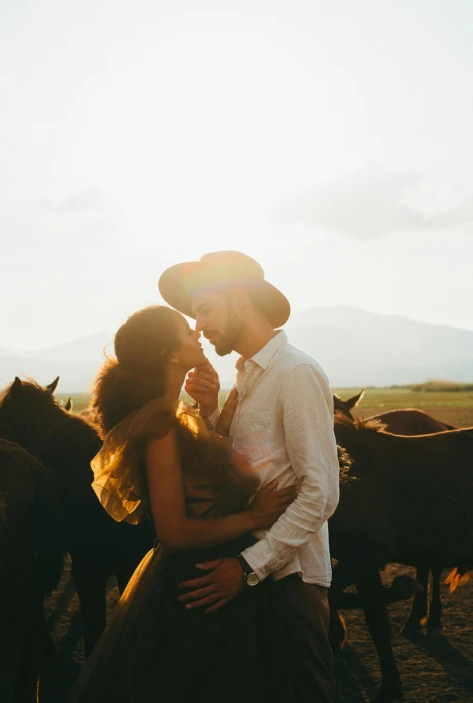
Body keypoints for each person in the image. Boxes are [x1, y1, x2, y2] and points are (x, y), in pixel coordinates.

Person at [66, 304, 298, 703]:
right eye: (185, 331)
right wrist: (252, 516)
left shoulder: (172, 418)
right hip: (201, 583)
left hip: (214, 573)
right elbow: (173, 532)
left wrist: (214, 413)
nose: (197, 332)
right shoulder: (160, 426)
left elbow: (205, 480)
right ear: (170, 354)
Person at [158, 250, 340, 703]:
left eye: (204, 309)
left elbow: (320, 493)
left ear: (240, 299)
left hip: (289, 581)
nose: (197, 325)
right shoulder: (245, 375)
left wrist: (247, 567)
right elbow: (252, 465)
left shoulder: (295, 372)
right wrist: (211, 412)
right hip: (254, 574)